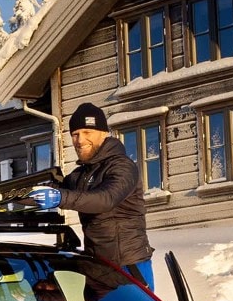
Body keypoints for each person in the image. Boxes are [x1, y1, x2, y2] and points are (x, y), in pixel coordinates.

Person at [27, 102, 155, 289]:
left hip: (129, 267)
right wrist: (5, 197)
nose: (79, 140)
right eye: (75, 134)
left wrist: (60, 198)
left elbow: (106, 199)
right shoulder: (80, 175)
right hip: (98, 268)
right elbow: (44, 191)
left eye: (87, 133)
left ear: (104, 133)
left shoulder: (123, 166)